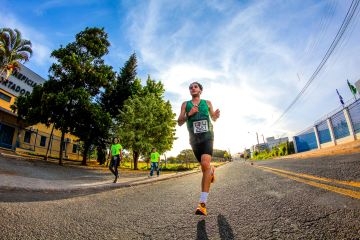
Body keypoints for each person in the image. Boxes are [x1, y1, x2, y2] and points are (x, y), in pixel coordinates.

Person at [177, 82, 220, 216]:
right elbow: (179, 122)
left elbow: (213, 118)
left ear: (200, 90)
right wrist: (189, 114)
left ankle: (202, 204)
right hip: (194, 139)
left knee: (205, 163)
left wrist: (216, 116)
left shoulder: (207, 103)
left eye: (195, 87)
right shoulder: (185, 104)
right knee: (204, 167)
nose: (193, 88)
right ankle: (211, 171)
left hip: (207, 136)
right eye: (190, 87)